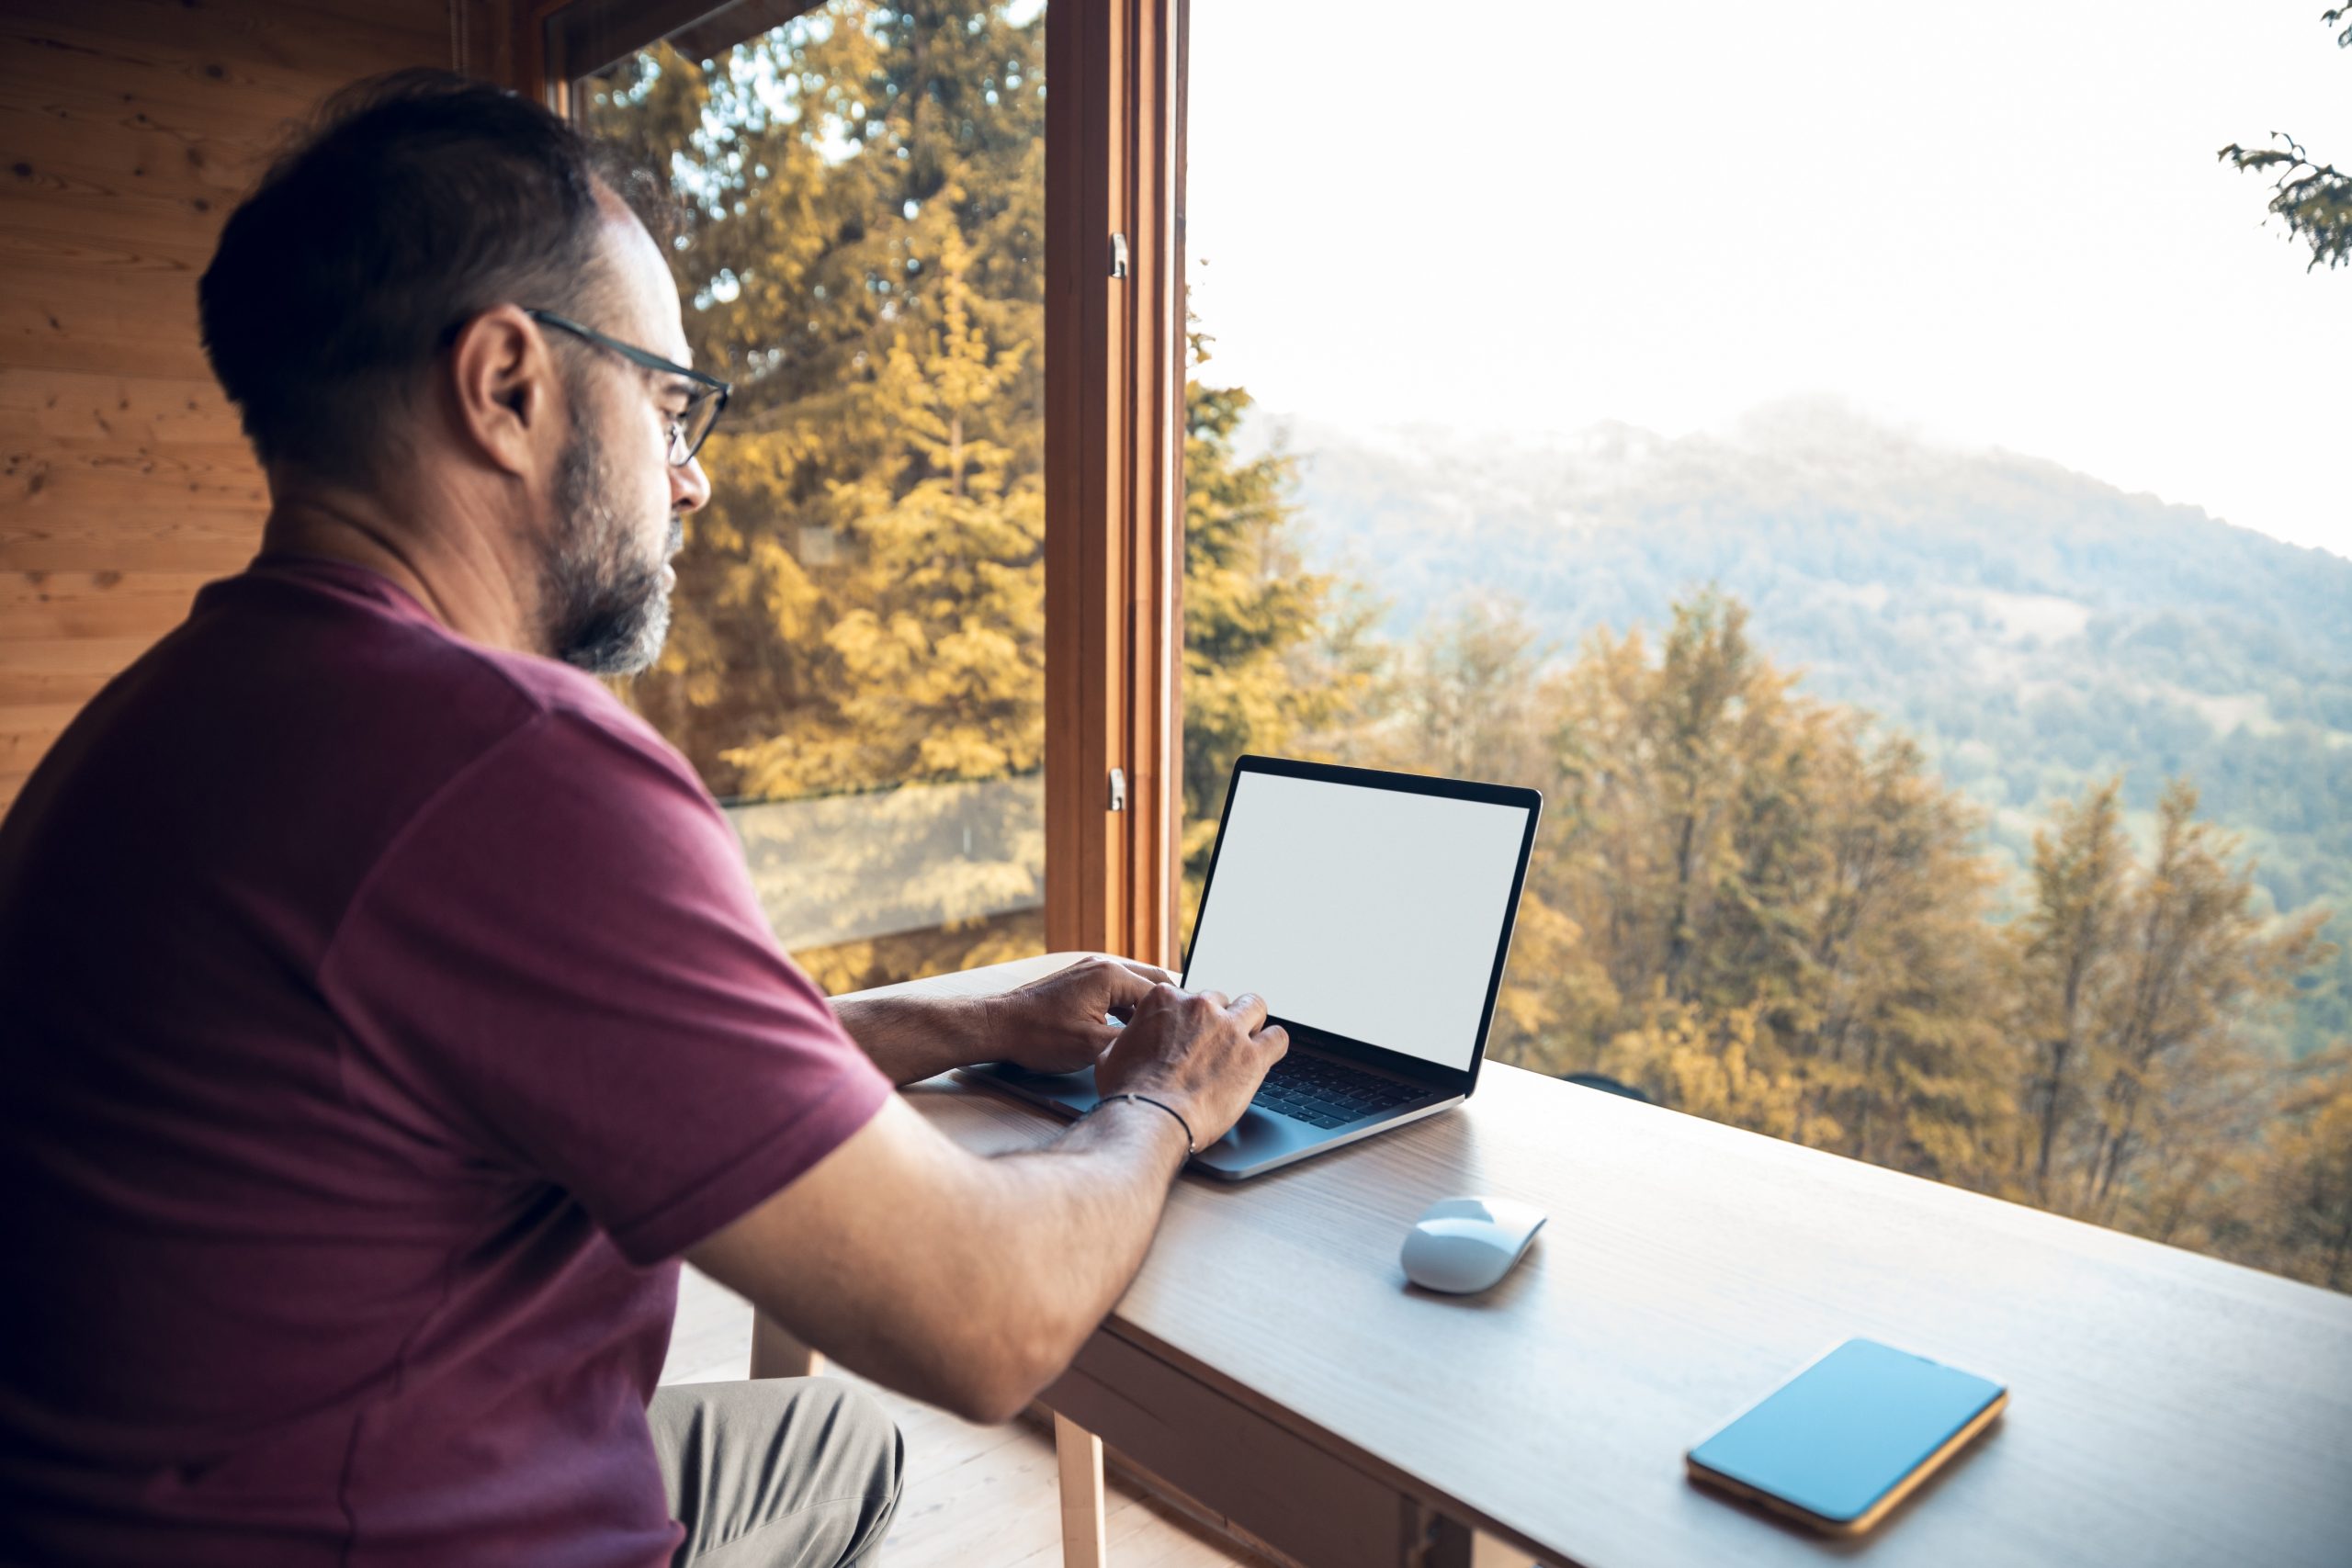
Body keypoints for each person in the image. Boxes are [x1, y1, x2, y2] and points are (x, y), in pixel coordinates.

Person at [0, 70, 1286, 1568]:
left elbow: (585, 1063)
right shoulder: (500, 770)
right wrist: (1164, 1103)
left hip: (172, 1504)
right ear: (504, 385)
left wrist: (967, 1012)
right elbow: (985, 1324)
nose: (693, 480)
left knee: (823, 1447)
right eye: (670, 404)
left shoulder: (173, 712)